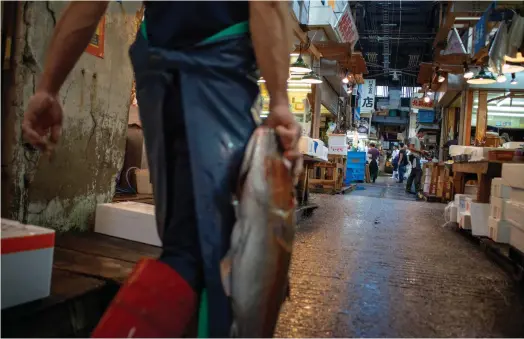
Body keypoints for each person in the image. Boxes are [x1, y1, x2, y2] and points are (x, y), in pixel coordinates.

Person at [21, 1, 301, 337]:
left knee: (189, 244)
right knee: (210, 255)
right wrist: (281, 102)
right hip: (214, 66)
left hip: (160, 64)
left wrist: (49, 87)